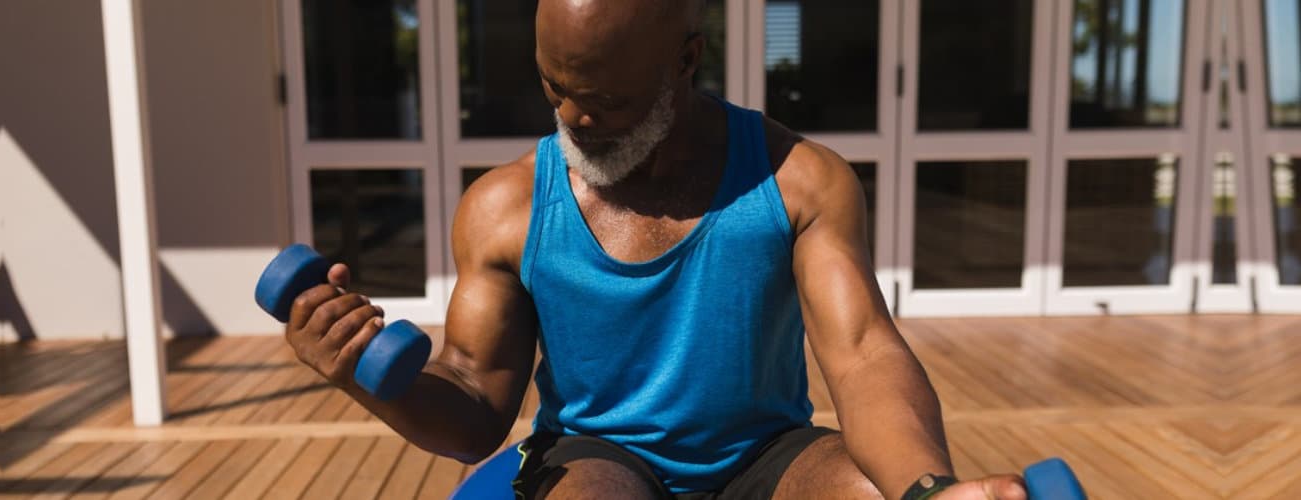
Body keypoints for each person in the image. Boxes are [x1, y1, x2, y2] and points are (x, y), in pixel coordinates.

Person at [285, 0, 1028, 498]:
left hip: (765, 452)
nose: (576, 119)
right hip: (597, 456)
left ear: (685, 59)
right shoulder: (504, 207)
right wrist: (363, 373)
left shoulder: (797, 180)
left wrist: (928, 491)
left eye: (606, 100)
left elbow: (863, 351)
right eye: (555, 90)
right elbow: (476, 403)